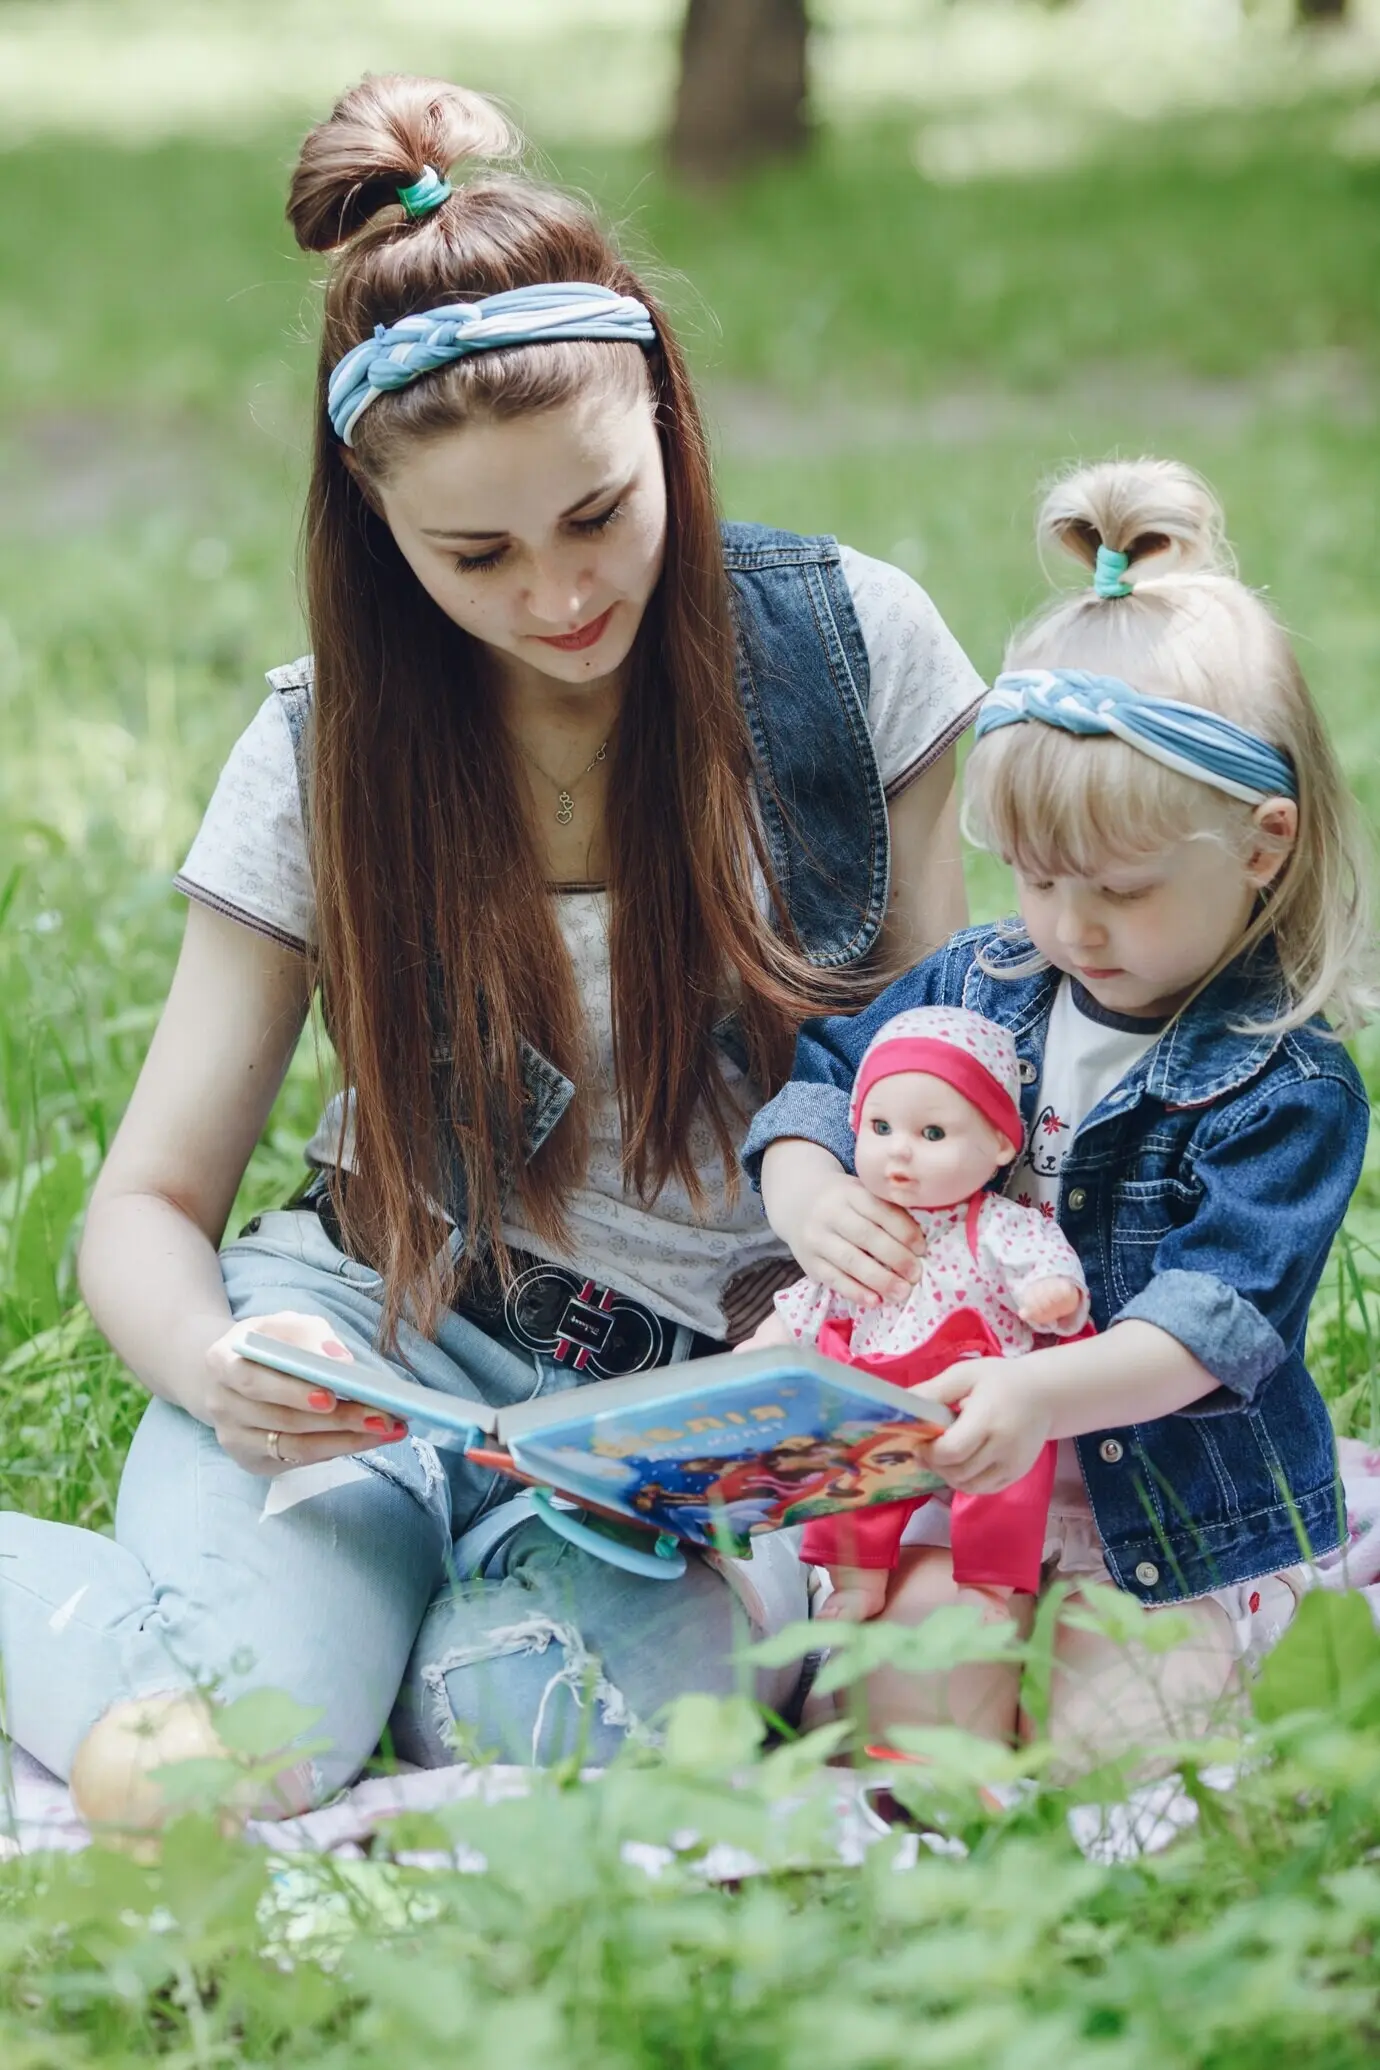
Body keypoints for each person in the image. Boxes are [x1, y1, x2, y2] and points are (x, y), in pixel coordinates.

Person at [0, 74, 983, 1826]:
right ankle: (293, 1620)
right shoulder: (323, 752)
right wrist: (224, 1370)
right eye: (476, 552)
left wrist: (837, 1348)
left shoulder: (853, 656)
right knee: (218, 1766)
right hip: (380, 1350)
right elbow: (148, 1204)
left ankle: (391, 1627)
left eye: (598, 513)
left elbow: (959, 1101)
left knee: (558, 1737)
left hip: (700, 1419)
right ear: (377, 530)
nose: (555, 595)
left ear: (667, 422)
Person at [742, 456, 1375, 1768]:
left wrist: (1039, 1391)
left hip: (1164, 1510)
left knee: (1122, 1764)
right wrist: (808, 1189)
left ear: (1261, 844)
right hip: (949, 1480)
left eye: (1122, 889)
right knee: (909, 1730)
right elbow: (819, 1077)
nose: (1071, 925)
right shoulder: (981, 980)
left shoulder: (1284, 1079)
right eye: (1035, 877)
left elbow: (1218, 1321)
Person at [741, 1005, 1090, 1620]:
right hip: (879, 1387)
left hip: (977, 1390)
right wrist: (769, 1343)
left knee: (1000, 1484)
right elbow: (816, 1297)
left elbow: (1042, 1258)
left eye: (932, 1135)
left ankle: (986, 1587)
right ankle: (855, 1580)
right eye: (879, 1128)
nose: (899, 1153)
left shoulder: (994, 1225)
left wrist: (1054, 1294)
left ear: (1001, 1144)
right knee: (853, 1485)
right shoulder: (866, 1222)